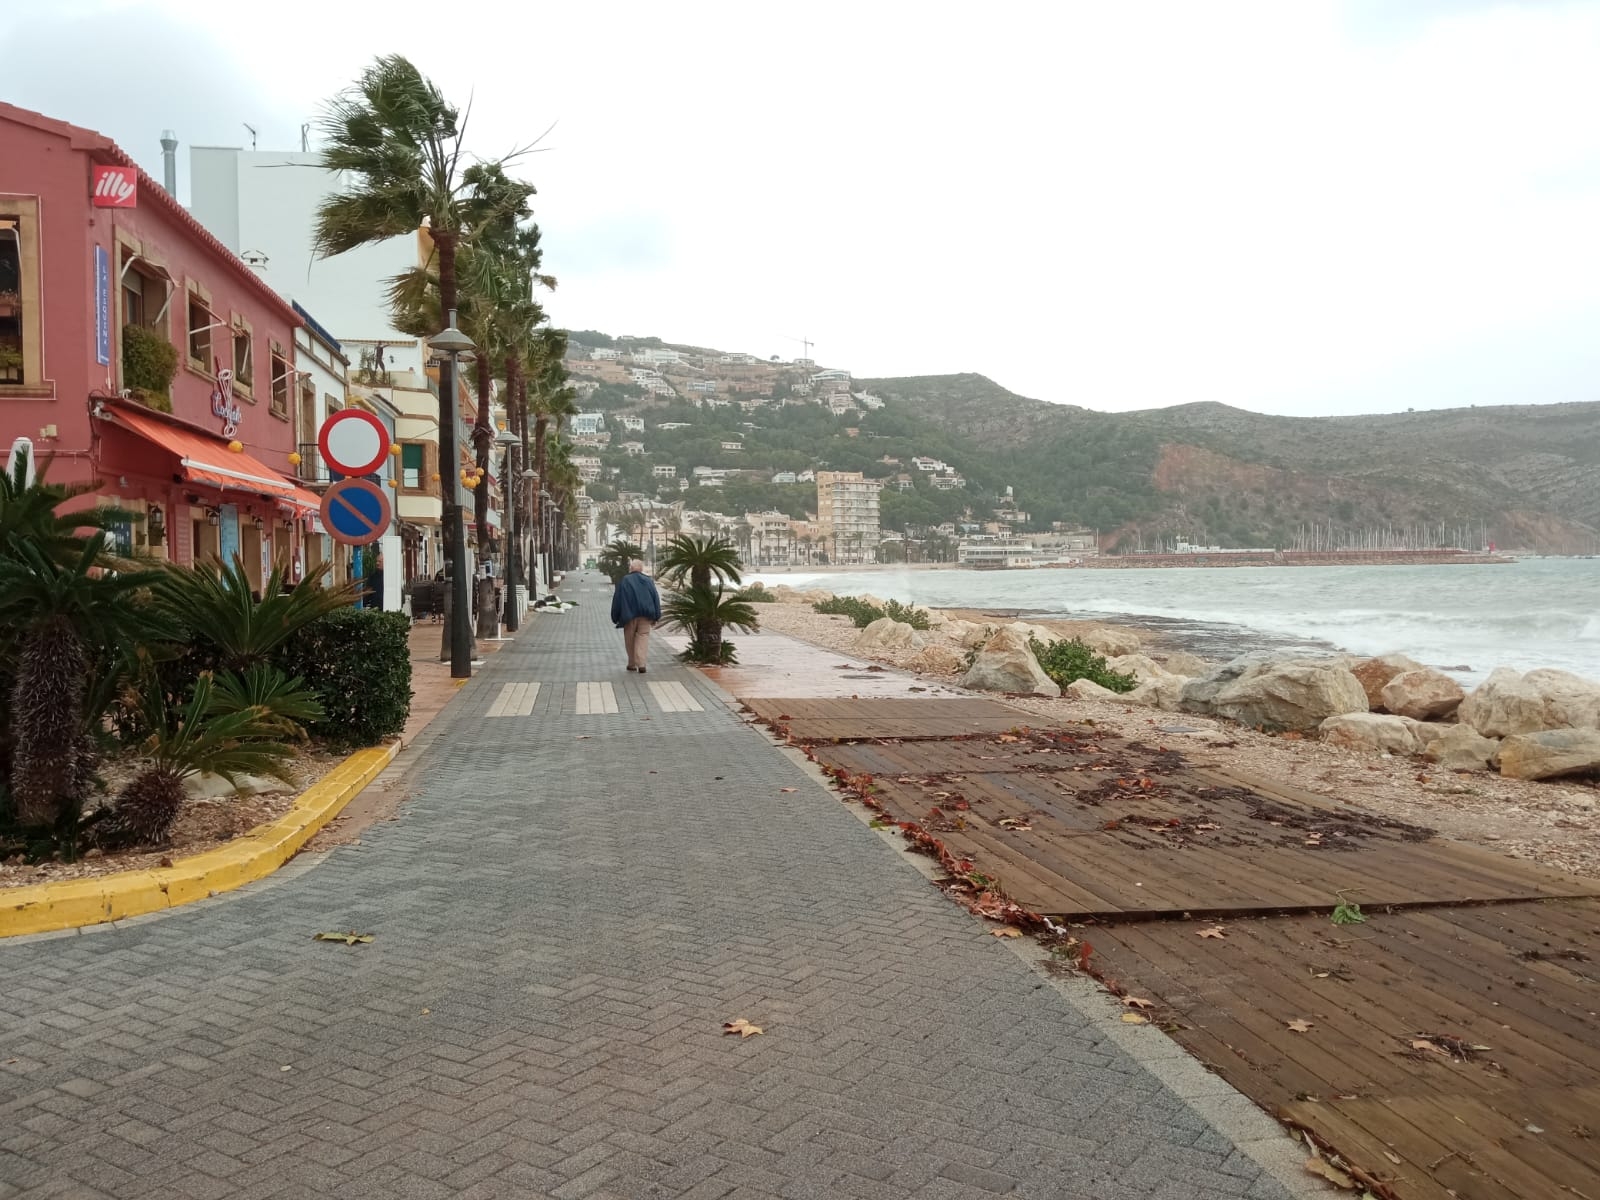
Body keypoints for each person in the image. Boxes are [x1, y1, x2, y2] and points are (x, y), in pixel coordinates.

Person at [610, 558, 661, 674]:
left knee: (630, 639)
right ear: (641, 569)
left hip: (629, 616)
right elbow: (655, 598)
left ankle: (632, 663)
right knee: (643, 637)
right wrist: (656, 615)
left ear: (631, 568)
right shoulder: (648, 581)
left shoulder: (624, 581)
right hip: (646, 616)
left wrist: (615, 616)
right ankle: (641, 664)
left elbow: (617, 600)